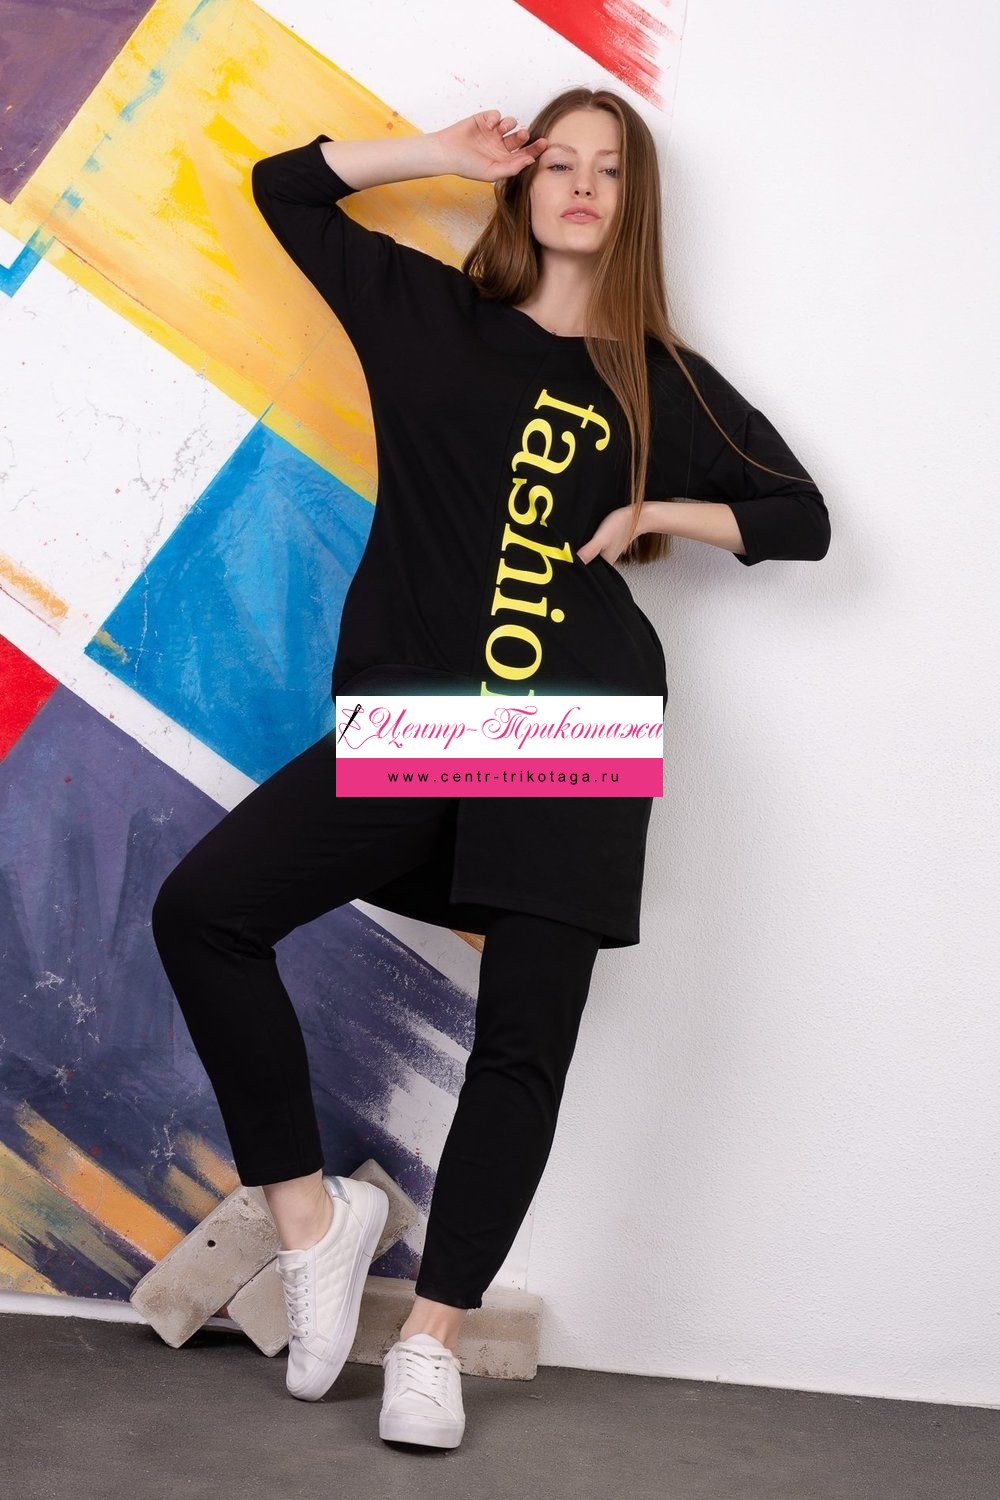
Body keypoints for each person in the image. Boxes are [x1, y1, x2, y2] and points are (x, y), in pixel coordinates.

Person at [151, 86, 830, 1449]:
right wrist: (441, 155)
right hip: (425, 716)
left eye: (609, 170)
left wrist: (655, 509)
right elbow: (285, 186)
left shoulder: (660, 379)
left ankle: (431, 1344)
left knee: (522, 1041)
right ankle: (314, 1220)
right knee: (206, 911)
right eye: (555, 161)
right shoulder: (428, 317)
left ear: (634, 204)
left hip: (577, 722)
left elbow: (801, 518)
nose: (580, 184)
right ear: (521, 187)